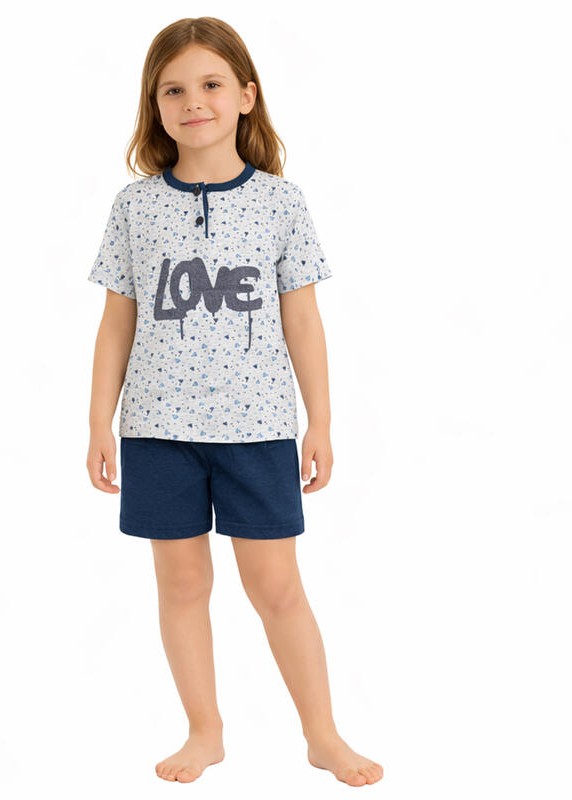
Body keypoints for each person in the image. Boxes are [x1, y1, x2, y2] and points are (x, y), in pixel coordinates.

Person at [85, 16, 383, 787]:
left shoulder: (282, 203)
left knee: (276, 587)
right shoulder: (134, 206)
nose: (194, 102)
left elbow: (303, 320)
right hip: (157, 430)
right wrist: (98, 423)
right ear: (155, 106)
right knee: (182, 586)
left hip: (258, 430)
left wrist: (321, 421)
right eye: (174, 90)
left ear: (246, 95)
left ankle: (322, 735)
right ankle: (205, 729)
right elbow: (117, 321)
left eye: (211, 84)